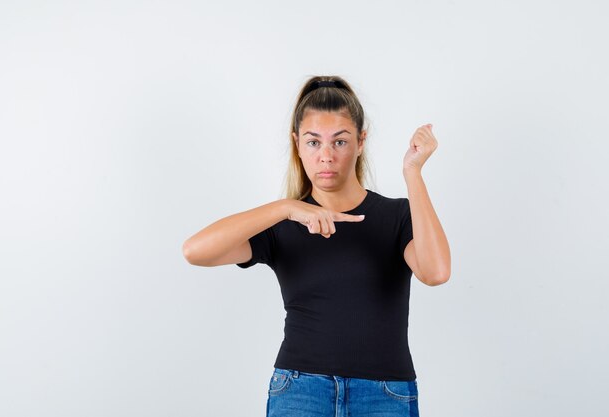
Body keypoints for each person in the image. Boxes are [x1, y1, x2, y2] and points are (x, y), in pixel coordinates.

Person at [182, 75, 451, 417]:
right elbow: (195, 251)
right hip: (300, 391)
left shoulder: (396, 215)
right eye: (313, 142)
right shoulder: (282, 224)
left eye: (339, 142)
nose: (326, 156)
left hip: (385, 394)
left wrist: (413, 172)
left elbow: (436, 272)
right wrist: (286, 208)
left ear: (360, 141)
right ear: (297, 143)